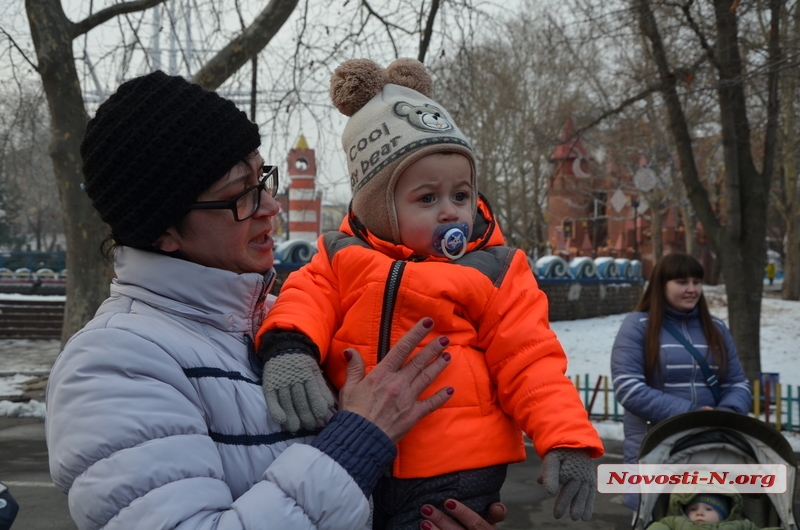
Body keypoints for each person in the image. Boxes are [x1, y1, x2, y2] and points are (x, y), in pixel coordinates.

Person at [45, 70, 505, 530]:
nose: (270, 206)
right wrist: (357, 442)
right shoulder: (112, 364)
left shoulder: (281, 320)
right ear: (163, 232)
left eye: (262, 178)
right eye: (240, 195)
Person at [254, 58, 604, 529]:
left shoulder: (495, 269)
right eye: (427, 198)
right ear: (378, 207)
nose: (450, 213)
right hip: (357, 453)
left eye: (460, 196)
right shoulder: (340, 255)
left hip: (456, 469)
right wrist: (290, 348)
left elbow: (530, 359)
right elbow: (304, 297)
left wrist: (567, 438)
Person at [611, 253, 752, 511]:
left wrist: (725, 415)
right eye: (682, 281)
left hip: (711, 446)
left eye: (697, 281)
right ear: (661, 284)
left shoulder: (717, 328)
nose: (692, 289)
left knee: (709, 517)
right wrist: (691, 415)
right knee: (660, 519)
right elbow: (629, 389)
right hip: (655, 448)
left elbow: (737, 383)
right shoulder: (638, 326)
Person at [647, 492, 780, 529]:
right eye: (693, 509)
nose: (699, 512)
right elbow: (660, 525)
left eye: (708, 509)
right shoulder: (678, 522)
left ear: (723, 514)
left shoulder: (738, 525)